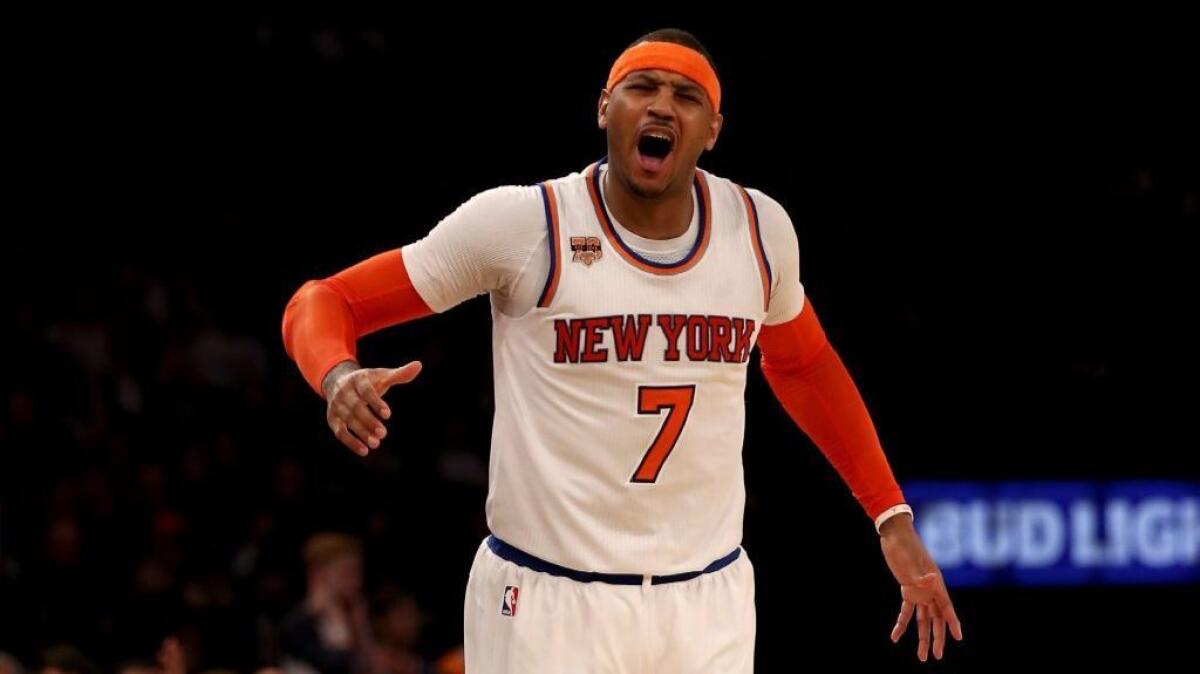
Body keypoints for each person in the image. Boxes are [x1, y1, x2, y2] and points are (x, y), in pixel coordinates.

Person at [282, 28, 962, 672]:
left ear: (713, 130)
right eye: (643, 87)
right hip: (548, 596)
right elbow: (325, 301)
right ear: (606, 107)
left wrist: (889, 514)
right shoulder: (527, 226)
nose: (663, 104)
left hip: (708, 595)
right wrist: (336, 372)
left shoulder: (759, 231)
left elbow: (804, 364)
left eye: (687, 95)